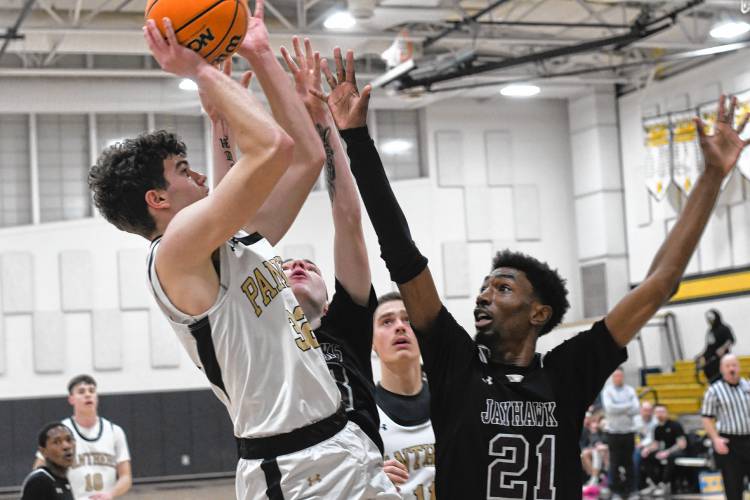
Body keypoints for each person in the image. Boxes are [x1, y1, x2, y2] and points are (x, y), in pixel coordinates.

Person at [314, 46, 750, 497]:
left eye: (502, 288)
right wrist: (357, 139)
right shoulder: (454, 363)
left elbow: (660, 285)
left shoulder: (568, 372)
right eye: (484, 287)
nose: (483, 296)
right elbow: (401, 252)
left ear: (539, 313)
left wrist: (712, 177)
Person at [89, 7, 394, 498]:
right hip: (293, 467)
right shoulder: (173, 255)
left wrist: (258, 52)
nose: (202, 178)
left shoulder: (239, 244)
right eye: (184, 170)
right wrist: (200, 71)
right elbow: (272, 146)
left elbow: (308, 157)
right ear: (158, 200)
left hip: (347, 441)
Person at [372, 292, 436, 499]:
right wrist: (367, 481)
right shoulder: (362, 413)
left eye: (408, 319)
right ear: (371, 342)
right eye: (387, 321)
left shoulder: (450, 399)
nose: (400, 326)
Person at [33, 375, 131, 499]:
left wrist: (110, 494)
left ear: (97, 397)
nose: (88, 395)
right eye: (81, 391)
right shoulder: (59, 432)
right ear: (71, 399)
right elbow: (39, 471)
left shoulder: (114, 431)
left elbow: (126, 477)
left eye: (92, 391)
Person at [701, 354, 750, 500]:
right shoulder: (714, 390)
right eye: (728, 366)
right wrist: (715, 439)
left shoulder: (747, 385)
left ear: (739, 367)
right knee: (733, 487)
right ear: (722, 369)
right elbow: (707, 418)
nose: (731, 369)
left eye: (734, 365)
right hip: (730, 443)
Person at [602, 367, 639, 498]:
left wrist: (619, 407)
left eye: (620, 376)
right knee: (614, 463)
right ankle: (616, 491)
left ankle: (631, 490)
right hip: (613, 432)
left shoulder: (630, 390)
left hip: (628, 431)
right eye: (615, 376)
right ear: (612, 377)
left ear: (623, 376)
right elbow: (610, 409)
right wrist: (626, 406)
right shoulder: (607, 391)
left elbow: (636, 409)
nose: (618, 378)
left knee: (629, 462)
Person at [640, 404, 687, 496]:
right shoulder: (657, 428)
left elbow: (682, 444)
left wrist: (667, 452)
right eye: (657, 412)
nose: (659, 414)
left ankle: (665, 484)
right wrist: (647, 449)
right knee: (647, 456)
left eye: (662, 412)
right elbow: (656, 444)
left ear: (667, 413)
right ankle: (656, 484)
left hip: (680, 451)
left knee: (670, 457)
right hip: (666, 451)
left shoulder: (675, 425)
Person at [22, 422, 75, 500]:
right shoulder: (39, 481)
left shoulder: (63, 480)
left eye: (69, 440)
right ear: (43, 451)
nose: (66, 446)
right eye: (56, 442)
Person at [696, 309, 735, 383]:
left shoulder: (724, 328)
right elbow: (708, 347)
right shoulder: (710, 332)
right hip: (712, 361)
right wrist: (702, 356)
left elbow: (731, 340)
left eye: (711, 319)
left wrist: (723, 348)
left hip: (724, 359)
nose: (709, 321)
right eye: (708, 320)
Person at [633, 401, 657, 491]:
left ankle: (637, 485)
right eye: (645, 410)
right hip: (635, 445)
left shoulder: (655, 421)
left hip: (652, 445)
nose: (647, 412)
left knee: (637, 455)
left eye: (649, 410)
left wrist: (641, 445)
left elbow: (652, 437)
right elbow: (632, 434)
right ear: (640, 410)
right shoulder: (635, 420)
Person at [580, 415, 608, 487]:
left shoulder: (606, 431)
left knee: (597, 451)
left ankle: (595, 478)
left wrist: (602, 446)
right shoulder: (590, 430)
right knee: (584, 454)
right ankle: (595, 477)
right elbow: (594, 442)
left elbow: (609, 443)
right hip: (596, 450)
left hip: (607, 451)